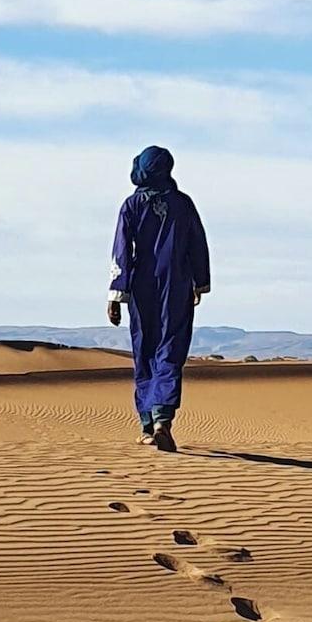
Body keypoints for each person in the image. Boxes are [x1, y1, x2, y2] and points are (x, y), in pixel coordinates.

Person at [107, 146, 210, 453]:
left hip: (142, 286)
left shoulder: (131, 205)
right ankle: (162, 419)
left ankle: (147, 426)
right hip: (177, 284)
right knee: (170, 350)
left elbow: (122, 250)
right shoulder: (183, 203)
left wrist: (116, 294)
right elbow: (198, 244)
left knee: (145, 350)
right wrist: (199, 283)